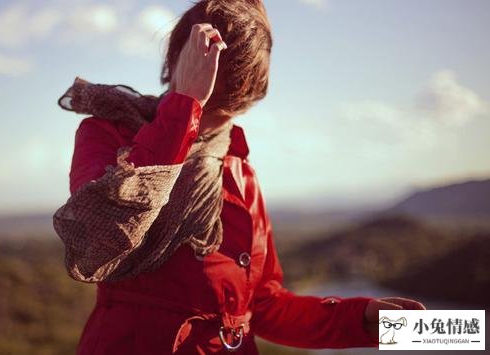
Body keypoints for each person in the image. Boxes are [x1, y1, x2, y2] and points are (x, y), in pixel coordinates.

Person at [53, 1, 426, 354]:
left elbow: (262, 306)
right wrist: (185, 106)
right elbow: (97, 238)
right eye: (208, 104)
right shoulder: (109, 133)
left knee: (461, 333)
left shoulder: (239, 170)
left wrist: (366, 321)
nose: (206, 130)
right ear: (179, 64)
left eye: (226, 112)